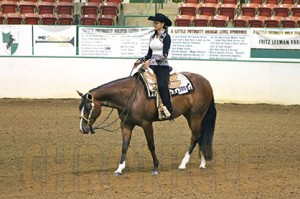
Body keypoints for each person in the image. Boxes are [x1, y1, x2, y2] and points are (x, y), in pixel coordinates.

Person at [134, 13, 174, 121]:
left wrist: (150, 62)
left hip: (162, 66)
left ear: (162, 24)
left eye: (156, 23)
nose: (154, 25)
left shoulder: (166, 37)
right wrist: (140, 60)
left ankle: (169, 110)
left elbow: (164, 55)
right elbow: (149, 54)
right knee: (138, 78)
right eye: (154, 23)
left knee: (162, 85)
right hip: (152, 64)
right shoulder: (152, 37)